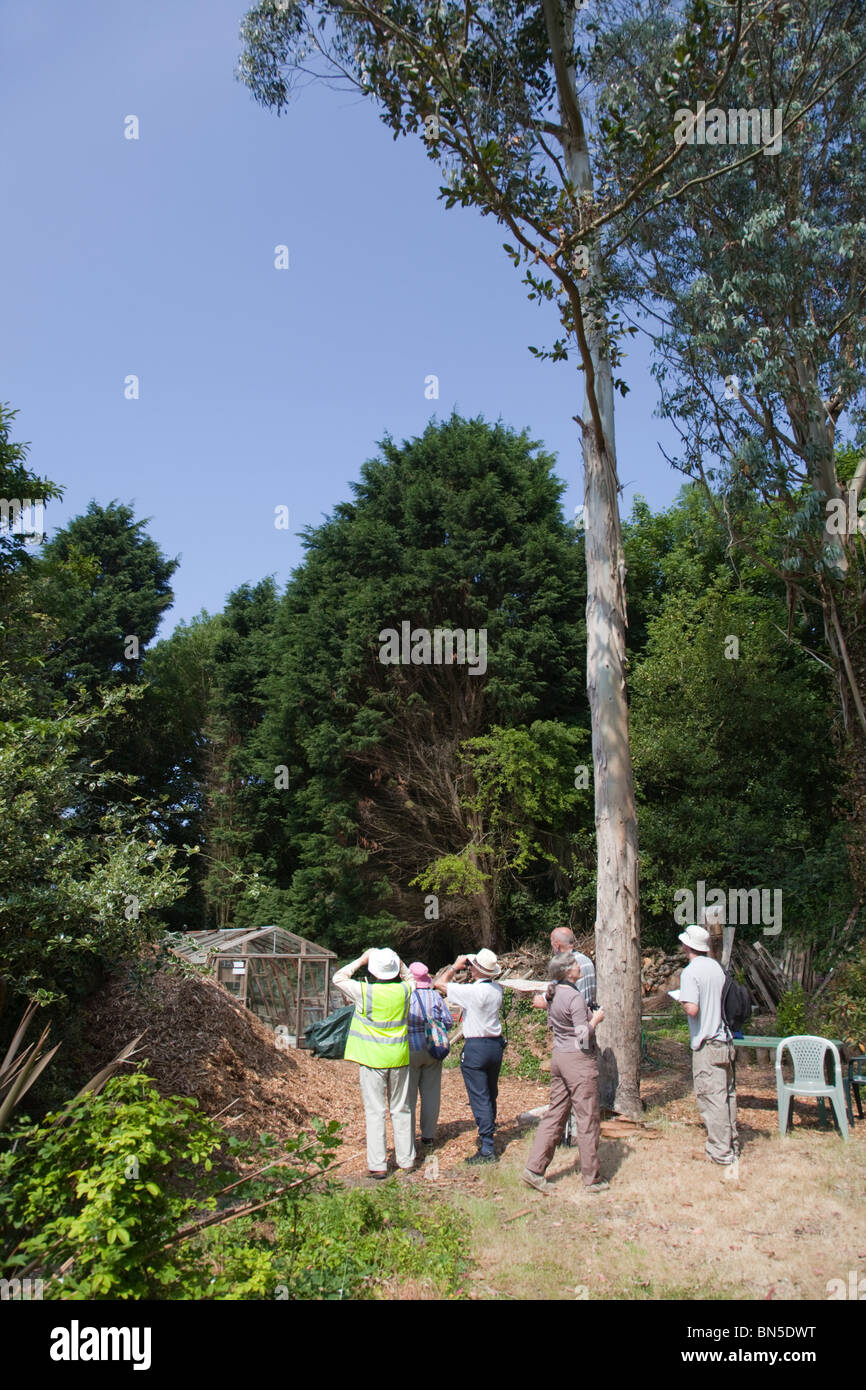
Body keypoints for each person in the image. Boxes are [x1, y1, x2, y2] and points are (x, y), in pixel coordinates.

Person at [522, 953, 608, 1194]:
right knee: (587, 1117)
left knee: (555, 1114)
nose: (580, 967)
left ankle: (534, 1170)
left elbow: (553, 1025)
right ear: (567, 971)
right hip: (578, 1062)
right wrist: (596, 1019)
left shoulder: (554, 993)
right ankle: (592, 1179)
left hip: (559, 1057)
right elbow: (582, 1036)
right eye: (575, 964)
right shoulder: (575, 997)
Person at [332, 947, 415, 1178]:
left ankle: (378, 1165)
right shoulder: (405, 990)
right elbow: (411, 978)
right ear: (395, 969)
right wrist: (398, 961)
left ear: (374, 970)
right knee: (402, 1109)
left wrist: (361, 959)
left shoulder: (364, 991)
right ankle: (406, 1160)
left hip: (372, 1060)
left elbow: (338, 978)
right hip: (399, 1057)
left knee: (375, 1111)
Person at [676, 925, 740, 1179]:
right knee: (728, 1095)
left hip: (707, 1042)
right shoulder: (716, 967)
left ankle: (720, 1151)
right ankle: (731, 1144)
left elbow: (692, 1009)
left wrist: (680, 999)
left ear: (687, 946)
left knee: (711, 1098)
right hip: (725, 1039)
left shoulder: (691, 972)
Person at [436, 948, 505, 1164]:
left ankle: (486, 1147)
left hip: (476, 1045)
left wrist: (454, 967)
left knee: (479, 1096)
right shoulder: (497, 989)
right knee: (490, 1092)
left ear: (476, 969)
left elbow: (439, 983)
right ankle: (489, 1133)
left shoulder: (473, 992)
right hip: (495, 1044)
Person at [406, 961, 455, 1151]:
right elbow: (448, 1022)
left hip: (409, 1050)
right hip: (433, 1049)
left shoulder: (406, 996)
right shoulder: (435, 996)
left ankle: (408, 1137)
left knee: (408, 1097)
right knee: (431, 1094)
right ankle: (428, 1136)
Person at [532, 927, 597, 1011]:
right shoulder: (587, 960)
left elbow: (565, 1003)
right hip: (589, 1015)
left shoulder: (564, 965)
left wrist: (545, 1005)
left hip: (574, 1019)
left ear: (557, 945)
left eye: (551, 942)